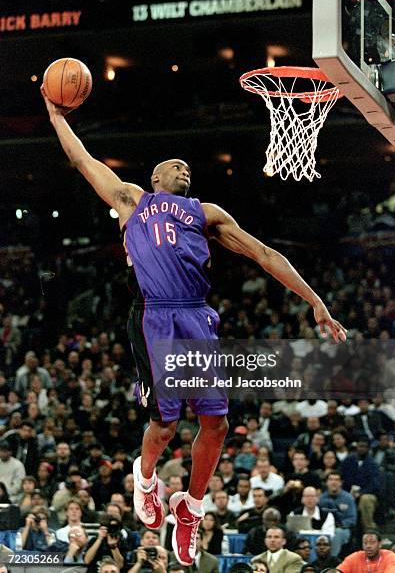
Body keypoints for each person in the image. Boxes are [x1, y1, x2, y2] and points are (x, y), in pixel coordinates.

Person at [41, 87, 346, 567]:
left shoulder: (207, 214)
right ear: (155, 177)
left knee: (217, 423)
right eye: (174, 165)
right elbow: (82, 159)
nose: (184, 169)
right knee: (165, 425)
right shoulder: (130, 200)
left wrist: (315, 301)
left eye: (188, 167)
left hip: (197, 314)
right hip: (154, 315)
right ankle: (146, 479)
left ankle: (191, 508)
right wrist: (55, 114)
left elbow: (265, 254)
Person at [319, 472, 357, 558]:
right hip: (324, 528)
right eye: (331, 479)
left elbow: (352, 519)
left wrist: (340, 524)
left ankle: (332, 559)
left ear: (341, 482)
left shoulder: (348, 498)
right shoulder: (322, 498)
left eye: (336, 480)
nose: (333, 482)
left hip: (342, 529)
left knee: (337, 533)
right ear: (327, 482)